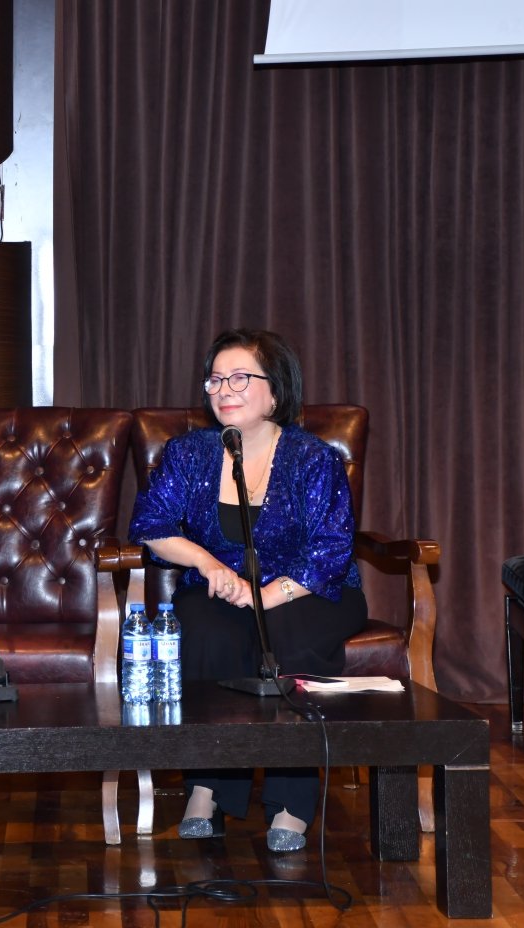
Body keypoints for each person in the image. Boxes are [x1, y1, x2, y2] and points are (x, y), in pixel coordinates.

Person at [127, 328, 367, 853]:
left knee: (285, 636)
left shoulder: (313, 458)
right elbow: (150, 526)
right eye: (215, 380)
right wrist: (208, 563)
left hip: (311, 592)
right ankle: (208, 788)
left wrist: (266, 596)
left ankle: (291, 800)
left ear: (275, 391)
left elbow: (330, 551)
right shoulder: (188, 453)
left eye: (239, 378)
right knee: (204, 630)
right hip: (222, 591)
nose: (223, 390)